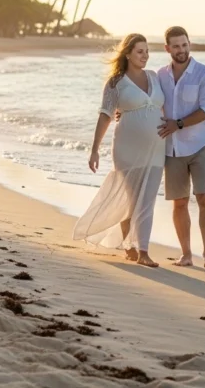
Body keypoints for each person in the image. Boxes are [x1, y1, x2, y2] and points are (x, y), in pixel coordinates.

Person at [73, 33, 165, 268]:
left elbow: (167, 107)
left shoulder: (154, 77)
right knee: (132, 199)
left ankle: (142, 249)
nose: (145, 56)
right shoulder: (115, 83)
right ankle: (131, 245)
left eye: (146, 51)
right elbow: (105, 115)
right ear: (127, 54)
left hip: (156, 149)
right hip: (126, 149)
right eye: (139, 51)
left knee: (147, 200)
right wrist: (94, 150)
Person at [156, 26, 205, 269]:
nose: (181, 50)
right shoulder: (160, 75)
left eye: (184, 45)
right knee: (179, 202)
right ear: (167, 48)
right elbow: (148, 99)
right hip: (171, 149)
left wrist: (178, 124)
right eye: (176, 46)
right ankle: (185, 254)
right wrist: (124, 111)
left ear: (189, 44)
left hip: (201, 144)